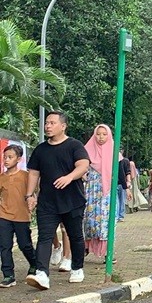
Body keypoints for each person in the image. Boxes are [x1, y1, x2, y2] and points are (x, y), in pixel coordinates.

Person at [25, 110, 90, 290]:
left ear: (63, 126)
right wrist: (29, 195)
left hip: (72, 200)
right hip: (47, 202)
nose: (48, 126)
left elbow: (83, 165)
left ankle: (77, 268)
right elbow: (33, 173)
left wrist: (69, 177)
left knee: (75, 236)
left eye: (52, 123)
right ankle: (42, 274)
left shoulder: (74, 145)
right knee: (44, 237)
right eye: (46, 123)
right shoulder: (41, 149)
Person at [0, 144, 35, 288]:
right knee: (4, 246)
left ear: (19, 159)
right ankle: (8, 275)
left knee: (25, 244)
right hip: (3, 215)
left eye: (10, 157)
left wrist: (33, 201)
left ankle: (34, 263)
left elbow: (34, 191)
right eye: (5, 157)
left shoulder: (26, 176)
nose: (6, 160)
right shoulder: (1, 177)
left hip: (22, 216)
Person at [82, 124, 114, 261]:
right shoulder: (86, 151)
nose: (101, 137)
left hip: (107, 191)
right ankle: (85, 247)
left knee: (106, 221)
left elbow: (121, 172)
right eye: (98, 134)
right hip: (91, 189)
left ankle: (108, 252)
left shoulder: (113, 151)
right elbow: (80, 167)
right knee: (89, 219)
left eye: (104, 134)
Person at [116, 148, 132, 223]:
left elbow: (127, 172)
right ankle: (119, 216)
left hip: (121, 183)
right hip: (119, 183)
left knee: (119, 200)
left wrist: (128, 182)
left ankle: (119, 216)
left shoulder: (124, 161)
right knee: (119, 200)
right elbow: (128, 172)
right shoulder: (124, 160)